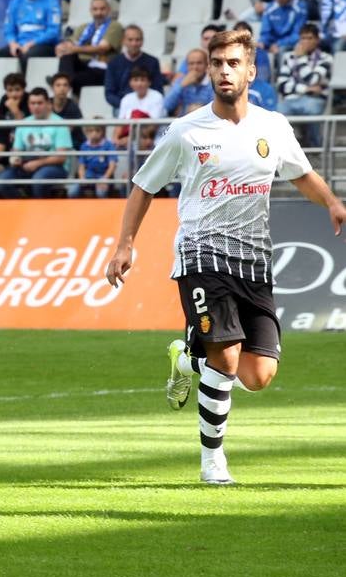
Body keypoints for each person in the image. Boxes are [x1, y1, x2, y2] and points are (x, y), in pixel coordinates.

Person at [106, 28, 346, 485]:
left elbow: (302, 174)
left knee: (258, 375)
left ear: (251, 71)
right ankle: (212, 461)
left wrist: (333, 203)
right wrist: (124, 244)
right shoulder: (186, 131)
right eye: (217, 64)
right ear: (209, 72)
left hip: (254, 262)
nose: (224, 71)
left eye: (233, 63)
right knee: (229, 358)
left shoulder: (272, 127)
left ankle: (187, 359)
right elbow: (143, 186)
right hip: (201, 254)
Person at [0, 86, 74, 198]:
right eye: (32, 103)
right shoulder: (23, 123)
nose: (36, 106)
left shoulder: (60, 123)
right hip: (26, 165)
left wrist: (37, 163)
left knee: (38, 180)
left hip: (54, 167)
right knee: (2, 181)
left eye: (39, 103)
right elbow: (16, 150)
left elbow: (61, 157)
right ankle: (22, 207)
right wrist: (15, 159)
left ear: (48, 103)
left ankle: (40, 212)